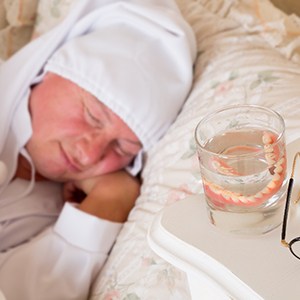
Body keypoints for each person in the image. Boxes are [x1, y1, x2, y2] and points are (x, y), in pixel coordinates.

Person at [0, 0, 196, 299]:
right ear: (49, 71)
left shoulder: (64, 213)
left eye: (122, 147)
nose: (90, 155)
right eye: (92, 115)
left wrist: (112, 200)